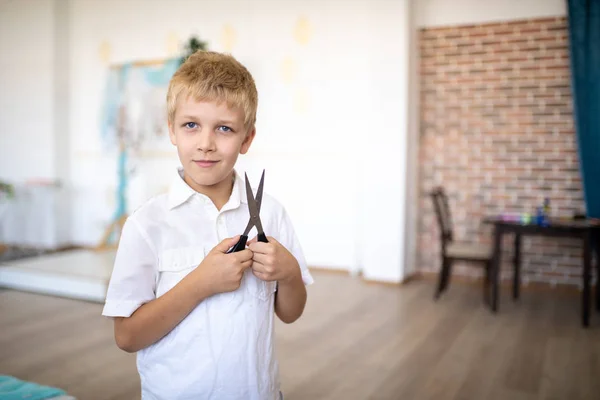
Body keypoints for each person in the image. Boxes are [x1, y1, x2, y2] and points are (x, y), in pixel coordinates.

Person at [101, 50, 314, 400]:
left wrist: (289, 273)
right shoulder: (146, 225)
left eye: (225, 129)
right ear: (171, 130)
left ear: (246, 139)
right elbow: (126, 337)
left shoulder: (271, 213)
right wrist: (200, 283)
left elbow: (291, 313)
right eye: (191, 125)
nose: (206, 143)